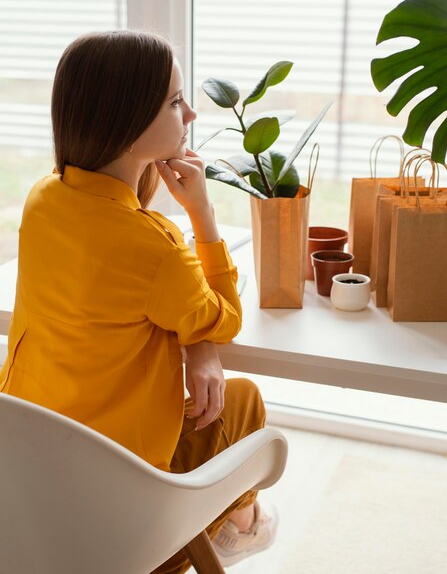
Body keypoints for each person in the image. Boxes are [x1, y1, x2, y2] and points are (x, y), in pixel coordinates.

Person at [0, 31, 278, 572]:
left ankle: (233, 526)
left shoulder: (42, 200)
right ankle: (238, 528)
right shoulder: (156, 248)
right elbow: (227, 316)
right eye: (175, 101)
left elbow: (137, 298)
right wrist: (202, 213)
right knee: (242, 403)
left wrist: (196, 346)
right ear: (128, 124)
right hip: (122, 513)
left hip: (27, 473)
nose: (192, 113)